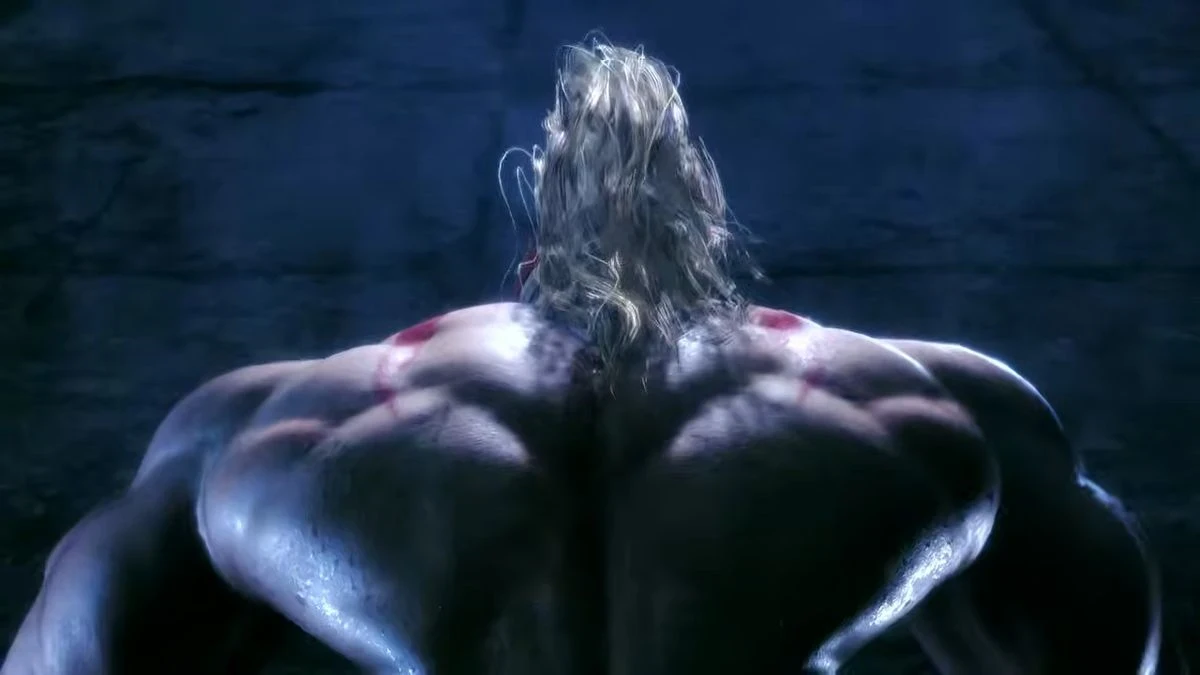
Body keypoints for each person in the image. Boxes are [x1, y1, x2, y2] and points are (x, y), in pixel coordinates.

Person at [1, 40, 1172, 675]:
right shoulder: (928, 410)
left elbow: (72, 649)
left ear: (532, 255)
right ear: (711, 234)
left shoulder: (293, 421)